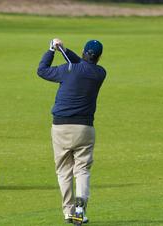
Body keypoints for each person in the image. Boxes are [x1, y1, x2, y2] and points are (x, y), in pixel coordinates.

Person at [37, 38, 106, 224]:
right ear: (99, 57)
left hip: (60, 127)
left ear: (84, 52)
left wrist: (52, 49)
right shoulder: (100, 73)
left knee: (64, 171)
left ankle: (68, 211)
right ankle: (80, 209)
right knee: (82, 169)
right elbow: (83, 64)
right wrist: (64, 50)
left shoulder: (67, 69)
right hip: (85, 128)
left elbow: (42, 70)